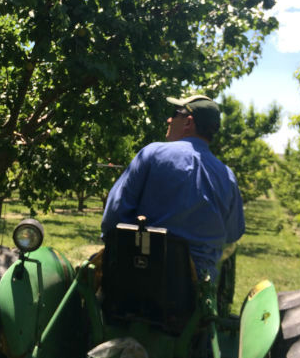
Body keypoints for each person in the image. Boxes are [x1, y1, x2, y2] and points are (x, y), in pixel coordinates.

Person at [101, 94, 245, 282]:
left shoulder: (152, 155)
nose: (169, 119)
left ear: (188, 122)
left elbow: (113, 215)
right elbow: (233, 233)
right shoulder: (227, 177)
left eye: (175, 113)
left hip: (138, 278)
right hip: (195, 292)